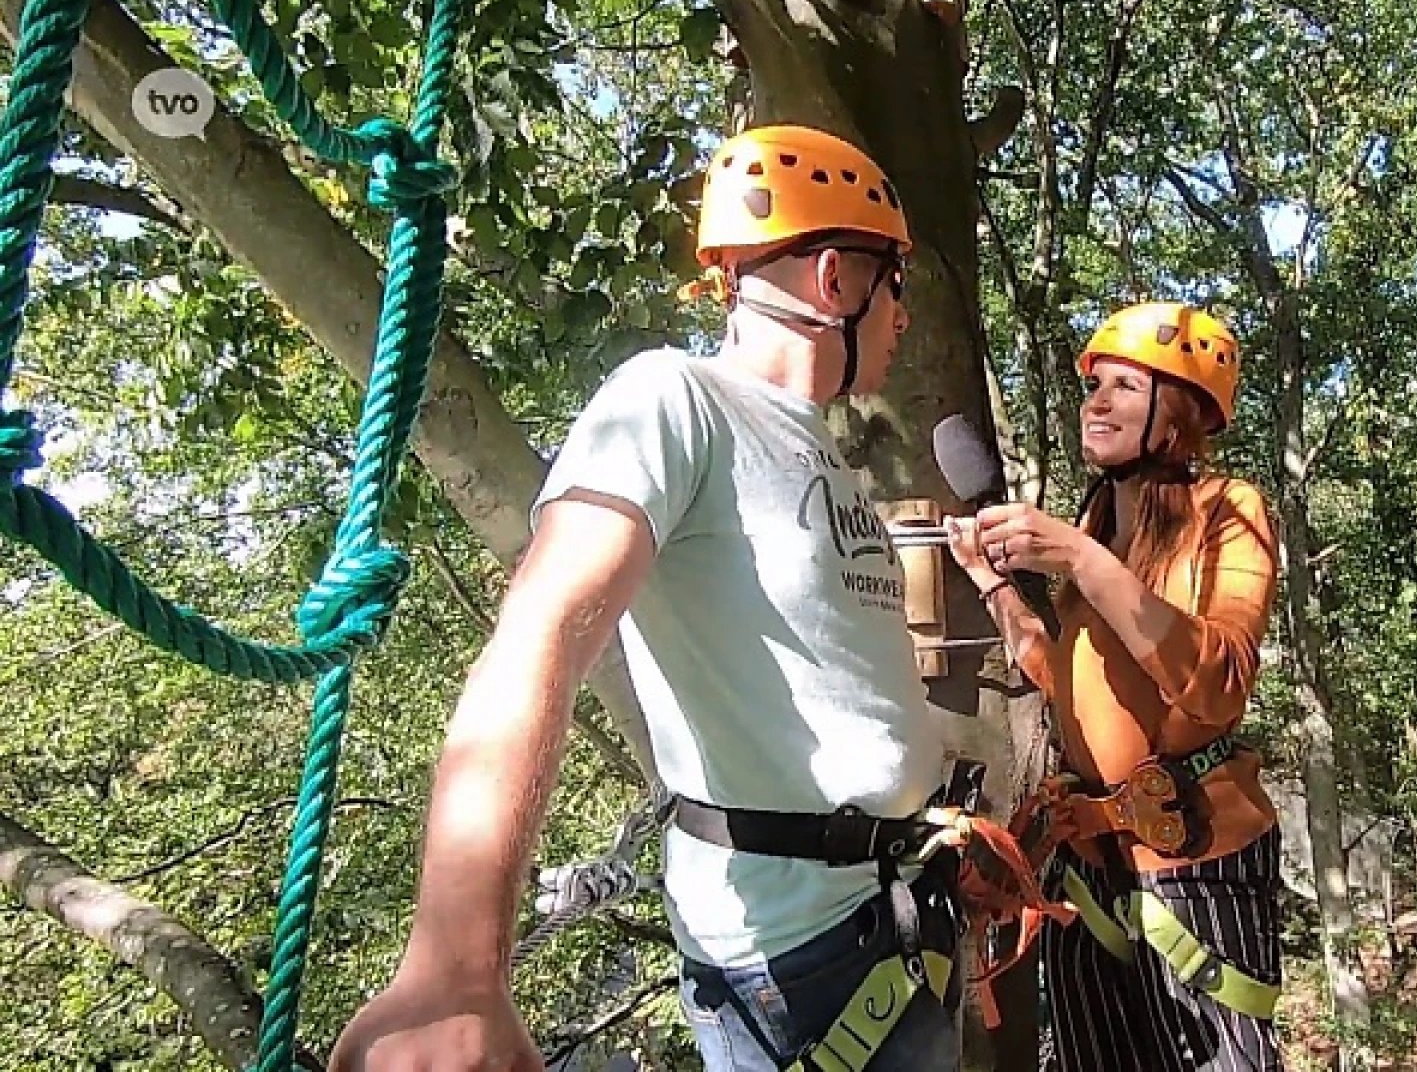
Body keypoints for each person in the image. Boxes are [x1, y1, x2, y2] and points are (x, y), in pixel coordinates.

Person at [330, 124, 967, 1072]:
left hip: (897, 913)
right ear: (838, 280)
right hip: (802, 972)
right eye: (897, 287)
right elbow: (541, 631)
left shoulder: (822, 449)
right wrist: (458, 964)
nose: (903, 319)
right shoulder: (674, 399)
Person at [945, 302, 1286, 1071]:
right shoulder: (1096, 534)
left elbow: (1219, 685)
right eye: (1094, 385)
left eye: (1125, 387)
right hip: (1089, 871)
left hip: (1197, 861)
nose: (1095, 401)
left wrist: (1080, 559)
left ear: (1182, 415)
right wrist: (991, 583)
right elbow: (1062, 682)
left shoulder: (1227, 512)